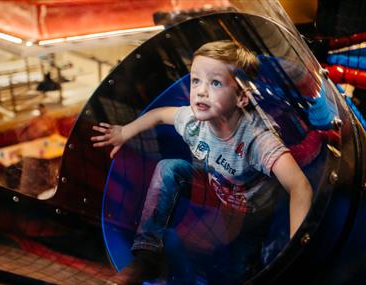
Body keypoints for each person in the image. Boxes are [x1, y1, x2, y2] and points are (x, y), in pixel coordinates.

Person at [91, 40, 313, 284]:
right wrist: (124, 132)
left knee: (240, 268)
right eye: (196, 80)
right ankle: (147, 256)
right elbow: (158, 115)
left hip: (253, 212)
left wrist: (296, 249)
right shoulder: (193, 120)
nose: (200, 91)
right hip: (215, 189)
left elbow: (299, 186)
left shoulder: (256, 139)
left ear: (242, 96)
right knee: (169, 168)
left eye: (215, 83)